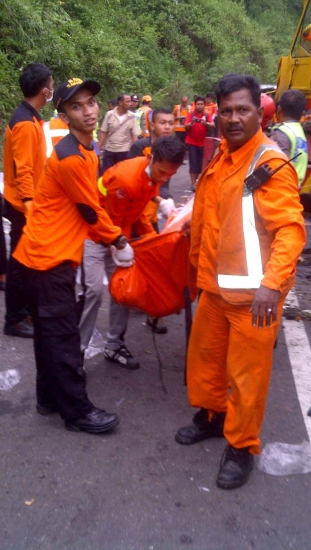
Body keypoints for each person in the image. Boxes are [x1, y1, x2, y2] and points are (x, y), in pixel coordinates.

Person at [175, 74, 306, 490]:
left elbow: (290, 230)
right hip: (214, 289)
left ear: (259, 114)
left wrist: (272, 284)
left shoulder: (267, 164)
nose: (233, 118)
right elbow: (212, 219)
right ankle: (214, 418)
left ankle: (242, 445)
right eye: (226, 110)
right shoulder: (221, 157)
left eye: (242, 110)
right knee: (205, 363)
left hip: (255, 299)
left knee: (247, 379)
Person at [12, 77, 130, 433]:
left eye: (91, 102)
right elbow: (91, 212)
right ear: (63, 114)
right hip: (46, 261)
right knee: (63, 338)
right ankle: (77, 412)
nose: (88, 111)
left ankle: (47, 397)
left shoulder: (85, 149)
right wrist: (120, 243)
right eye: (76, 106)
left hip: (38, 255)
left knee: (50, 335)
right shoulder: (69, 158)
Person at [79, 136, 184, 370]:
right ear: (150, 158)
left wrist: (161, 205)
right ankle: (77, 352)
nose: (164, 178)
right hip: (94, 235)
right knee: (94, 292)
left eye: (170, 175)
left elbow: (140, 207)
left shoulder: (153, 171)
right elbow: (113, 220)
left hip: (118, 234)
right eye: (162, 172)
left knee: (124, 290)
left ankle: (114, 345)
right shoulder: (126, 180)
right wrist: (121, 245)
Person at [3, 62, 53, 339]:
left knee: (27, 263)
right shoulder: (24, 123)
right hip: (22, 206)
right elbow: (23, 170)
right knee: (20, 265)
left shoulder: (32, 119)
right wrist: (32, 207)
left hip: (29, 204)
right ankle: (14, 319)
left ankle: (28, 310)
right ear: (44, 90)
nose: (52, 88)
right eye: (52, 84)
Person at [127, 107, 179, 335]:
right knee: (132, 260)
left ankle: (153, 313)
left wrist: (168, 203)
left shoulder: (173, 151)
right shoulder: (140, 148)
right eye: (162, 122)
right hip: (134, 214)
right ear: (152, 125)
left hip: (152, 215)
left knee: (156, 262)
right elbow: (136, 182)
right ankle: (130, 295)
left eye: (170, 122)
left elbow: (164, 183)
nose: (167, 126)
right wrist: (161, 200)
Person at [272, 89, 309, 187]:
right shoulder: (299, 131)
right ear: (302, 114)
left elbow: (276, 167)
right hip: (293, 187)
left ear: (279, 109)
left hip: (280, 189)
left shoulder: (281, 132)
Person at [97, 93, 139, 173]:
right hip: (109, 151)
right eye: (127, 101)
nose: (130, 104)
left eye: (130, 101)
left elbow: (134, 135)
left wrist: (135, 153)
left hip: (125, 151)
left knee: (122, 175)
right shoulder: (109, 114)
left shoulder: (132, 116)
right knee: (107, 175)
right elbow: (104, 132)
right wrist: (98, 149)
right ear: (120, 102)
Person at [185, 95, 215, 191]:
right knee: (193, 163)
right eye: (198, 104)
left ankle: (198, 181)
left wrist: (206, 124)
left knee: (201, 163)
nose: (200, 106)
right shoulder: (190, 115)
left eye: (201, 104)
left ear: (204, 105)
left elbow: (213, 125)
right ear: (195, 105)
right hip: (191, 142)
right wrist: (191, 123)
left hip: (203, 143)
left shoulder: (207, 115)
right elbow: (185, 127)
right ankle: (193, 184)